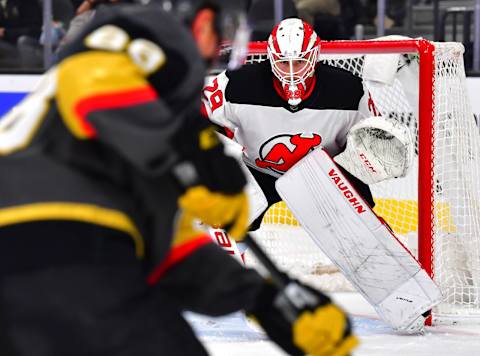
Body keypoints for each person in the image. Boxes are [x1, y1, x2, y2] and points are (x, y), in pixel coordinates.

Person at [0, 3, 357, 356]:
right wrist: (198, 150)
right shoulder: (145, 44)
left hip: (58, 248)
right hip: (52, 237)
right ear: (203, 24)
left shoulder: (127, 158)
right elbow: (92, 82)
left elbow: (175, 253)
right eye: (224, 31)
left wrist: (263, 299)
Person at [202, 17, 441, 333]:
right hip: (259, 170)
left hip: (323, 173)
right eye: (283, 62)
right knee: (210, 211)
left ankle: (405, 299)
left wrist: (364, 161)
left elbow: (370, 139)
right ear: (270, 58)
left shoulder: (349, 89)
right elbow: (193, 117)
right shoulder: (236, 83)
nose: (291, 71)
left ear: (314, 56)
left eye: (298, 61)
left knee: (361, 232)